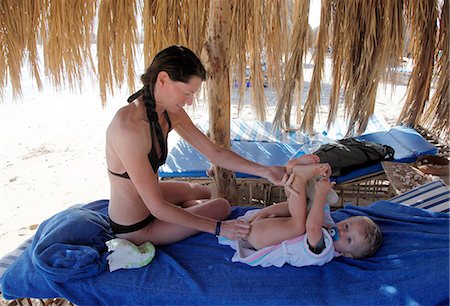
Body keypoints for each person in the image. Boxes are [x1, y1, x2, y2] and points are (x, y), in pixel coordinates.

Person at [105, 45, 318, 246]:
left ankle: (184, 215)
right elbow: (158, 207)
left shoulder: (169, 112)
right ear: (162, 79)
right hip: (136, 227)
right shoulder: (129, 130)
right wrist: (219, 228)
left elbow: (214, 153)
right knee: (221, 206)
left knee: (202, 192)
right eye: (187, 93)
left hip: (151, 200)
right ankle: (183, 217)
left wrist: (264, 170)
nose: (189, 102)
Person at [219, 163, 382, 267]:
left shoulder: (324, 250)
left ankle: (299, 177)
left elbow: (312, 228)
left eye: (349, 239)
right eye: (346, 226)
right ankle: (292, 172)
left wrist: (320, 195)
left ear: (347, 255)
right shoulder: (328, 225)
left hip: (258, 239)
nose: (343, 232)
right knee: (304, 207)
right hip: (261, 226)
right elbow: (319, 207)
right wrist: (322, 180)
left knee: (299, 226)